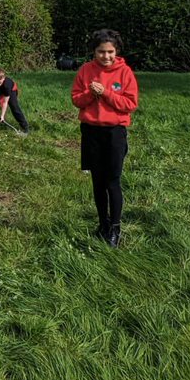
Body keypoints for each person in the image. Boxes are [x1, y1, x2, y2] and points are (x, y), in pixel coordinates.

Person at [71, 28, 138, 248]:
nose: (106, 56)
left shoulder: (125, 72)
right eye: (101, 51)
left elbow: (130, 104)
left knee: (112, 181)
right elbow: (76, 100)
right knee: (97, 182)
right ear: (94, 52)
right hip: (91, 132)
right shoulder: (85, 70)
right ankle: (102, 224)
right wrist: (91, 93)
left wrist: (106, 93)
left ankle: (115, 229)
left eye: (110, 52)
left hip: (114, 133)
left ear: (116, 51)